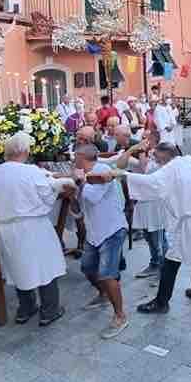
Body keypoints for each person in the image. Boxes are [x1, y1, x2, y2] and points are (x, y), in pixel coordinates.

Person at [114, 147, 191, 314]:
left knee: (171, 260)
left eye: (157, 159)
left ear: (165, 157)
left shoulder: (171, 168)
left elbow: (152, 183)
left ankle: (161, 302)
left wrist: (124, 175)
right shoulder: (188, 160)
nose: (157, 162)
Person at [0, 133, 67, 327]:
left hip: (4, 228)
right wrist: (58, 188)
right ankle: (49, 311)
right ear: (25, 151)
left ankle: (26, 308)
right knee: (45, 267)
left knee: (18, 267)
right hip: (32, 225)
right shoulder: (31, 171)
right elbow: (47, 195)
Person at [71, 144, 129, 339]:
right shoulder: (84, 176)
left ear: (81, 157)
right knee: (87, 268)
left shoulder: (103, 171)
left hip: (112, 230)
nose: (73, 160)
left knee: (107, 274)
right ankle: (103, 295)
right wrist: (73, 194)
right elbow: (79, 208)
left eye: (75, 156)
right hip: (94, 232)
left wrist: (80, 182)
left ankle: (120, 316)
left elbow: (93, 197)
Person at [116, 142, 168, 280]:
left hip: (157, 205)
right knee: (149, 237)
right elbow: (119, 165)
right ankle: (155, 263)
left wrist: (143, 154)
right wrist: (131, 150)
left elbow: (145, 171)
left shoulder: (158, 162)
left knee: (159, 238)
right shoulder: (136, 161)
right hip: (143, 205)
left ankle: (164, 268)